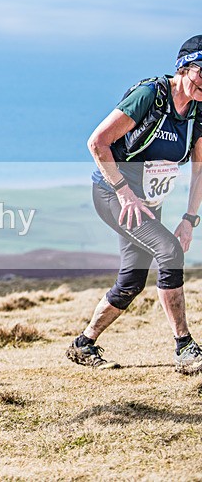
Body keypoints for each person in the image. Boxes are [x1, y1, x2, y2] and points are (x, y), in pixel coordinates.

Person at [67, 36, 202, 374]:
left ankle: (83, 344)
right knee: (169, 251)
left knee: (132, 281)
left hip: (148, 202)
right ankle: (185, 347)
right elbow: (98, 142)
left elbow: (200, 168)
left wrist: (189, 218)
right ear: (183, 68)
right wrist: (124, 192)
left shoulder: (198, 111)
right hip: (114, 195)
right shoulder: (150, 96)